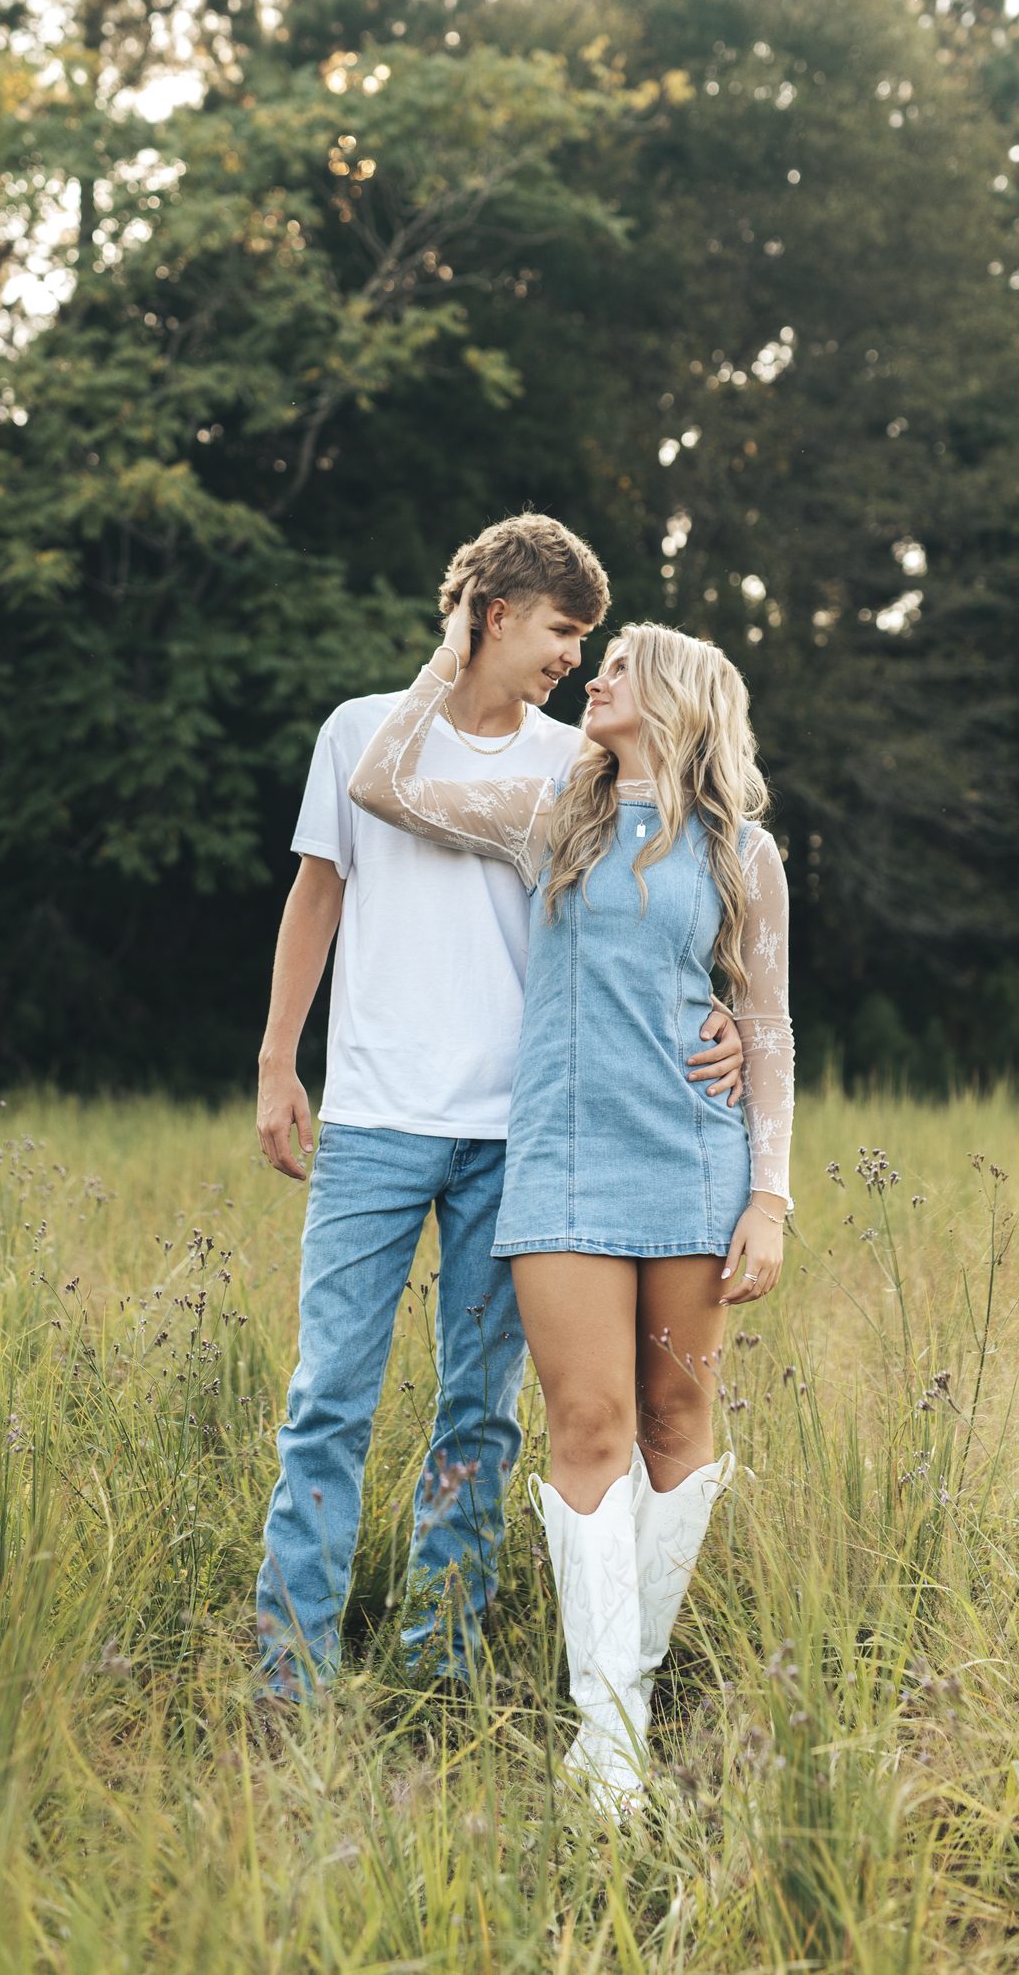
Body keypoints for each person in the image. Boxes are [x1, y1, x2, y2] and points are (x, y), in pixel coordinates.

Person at [253, 513, 748, 1692]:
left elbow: (658, 892)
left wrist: (717, 1010)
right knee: (328, 1397)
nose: (575, 658)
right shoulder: (359, 731)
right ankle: (290, 1678)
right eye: (561, 630)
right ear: (493, 614)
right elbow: (319, 889)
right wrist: (280, 1060)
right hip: (374, 1121)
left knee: (480, 1416)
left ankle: (442, 1669)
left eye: (589, 639)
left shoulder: (567, 766)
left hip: (522, 1141)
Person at [347, 585, 794, 1813]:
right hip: (559, 1160)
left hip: (693, 1167)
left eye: (620, 668)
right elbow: (386, 785)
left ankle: (620, 1699)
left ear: (677, 702)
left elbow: (767, 1025)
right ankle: (611, 1744)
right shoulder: (559, 819)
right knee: (588, 1429)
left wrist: (769, 1196)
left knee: (674, 1426)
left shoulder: (742, 853)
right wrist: (449, 655)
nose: (591, 675)